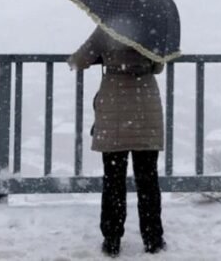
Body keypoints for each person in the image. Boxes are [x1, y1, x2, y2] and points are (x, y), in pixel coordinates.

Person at [69, 25, 167, 257]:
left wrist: (106, 58)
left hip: (114, 107)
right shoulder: (153, 28)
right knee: (148, 179)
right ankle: (153, 238)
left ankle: (112, 239)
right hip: (146, 106)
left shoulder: (107, 27)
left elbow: (79, 60)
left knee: (113, 179)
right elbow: (159, 66)